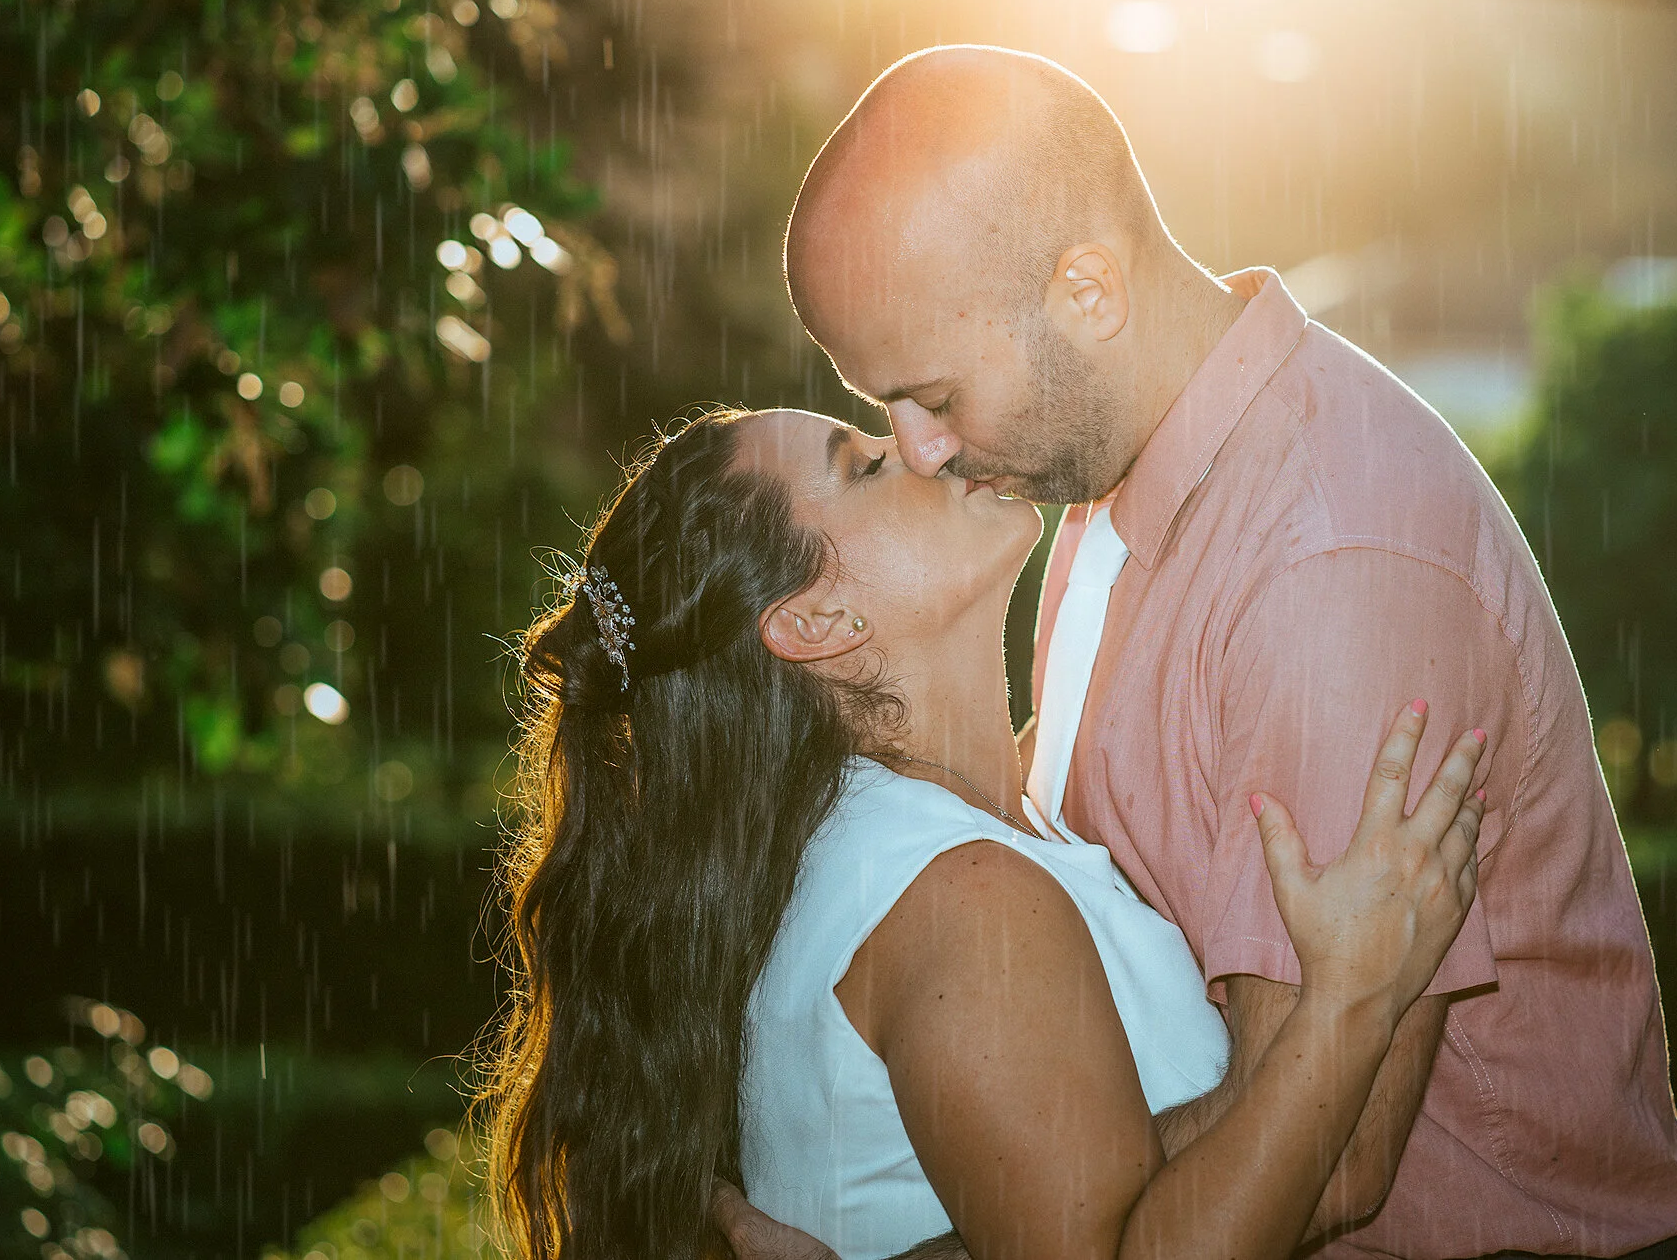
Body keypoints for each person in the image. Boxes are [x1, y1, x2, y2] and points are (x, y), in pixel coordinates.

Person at [736, 45, 1677, 1259]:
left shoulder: (1324, 569)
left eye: (930, 394)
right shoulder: (1097, 485)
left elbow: (1333, 1158)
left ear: (1087, 293)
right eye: (883, 408)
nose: (919, 450)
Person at [479, 406, 1490, 1260]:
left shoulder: (923, 845)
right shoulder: (954, 894)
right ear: (818, 623)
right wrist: (1349, 1002)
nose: (924, 444)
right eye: (869, 465)